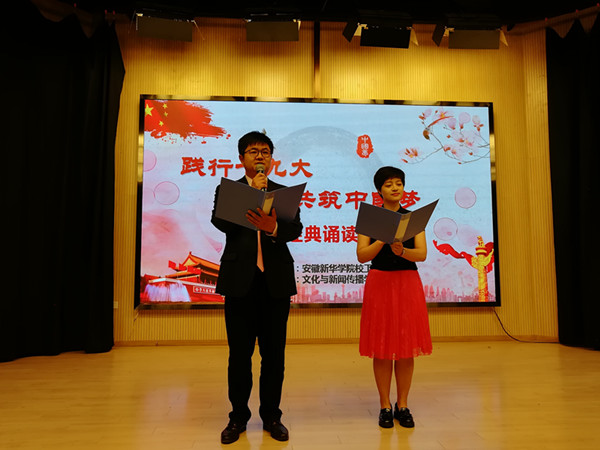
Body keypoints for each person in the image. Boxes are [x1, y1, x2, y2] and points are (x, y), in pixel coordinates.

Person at [211, 131, 303, 444]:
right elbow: (220, 223)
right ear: (242, 158)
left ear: (272, 159)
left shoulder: (284, 193)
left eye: (265, 151)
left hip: (275, 283)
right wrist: (253, 199)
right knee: (239, 355)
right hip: (240, 282)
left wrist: (272, 226)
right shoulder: (228, 190)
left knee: (274, 356)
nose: (260, 156)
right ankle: (237, 417)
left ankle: (272, 416)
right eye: (253, 151)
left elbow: (295, 229)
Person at [356, 166, 432, 429]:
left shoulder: (413, 219)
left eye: (398, 183)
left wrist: (402, 252)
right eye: (389, 184)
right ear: (379, 190)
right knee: (382, 347)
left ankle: (403, 404)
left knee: (406, 347)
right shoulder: (370, 219)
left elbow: (421, 254)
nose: (395, 188)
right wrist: (382, 240)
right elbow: (362, 255)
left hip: (407, 283)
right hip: (380, 283)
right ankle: (384, 406)